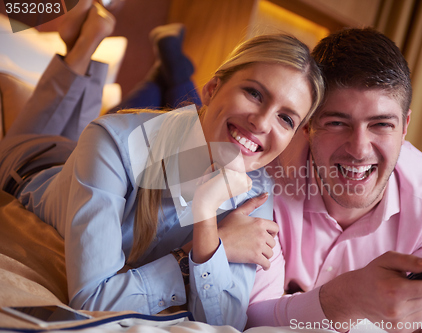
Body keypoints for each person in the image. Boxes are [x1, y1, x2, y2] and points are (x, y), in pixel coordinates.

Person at [0, 1, 324, 331]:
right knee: (18, 105)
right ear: (211, 89)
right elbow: (93, 303)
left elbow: (225, 324)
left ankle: (102, 50)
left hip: (90, 159)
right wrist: (205, 253)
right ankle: (81, 47)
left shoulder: (256, 191)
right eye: (254, 93)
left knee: (83, 130)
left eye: (286, 118)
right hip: (32, 165)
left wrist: (207, 225)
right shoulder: (112, 141)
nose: (261, 122)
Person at [245, 28, 422, 333]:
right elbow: (249, 317)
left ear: (405, 126)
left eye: (381, 124)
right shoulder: (266, 170)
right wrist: (345, 301)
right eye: (337, 122)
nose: (359, 150)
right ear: (308, 125)